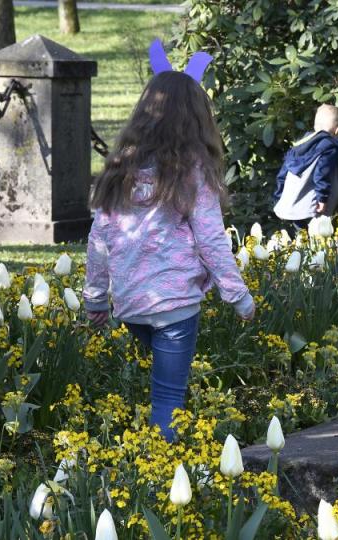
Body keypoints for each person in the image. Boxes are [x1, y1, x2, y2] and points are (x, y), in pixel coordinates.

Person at [83, 69, 255, 441]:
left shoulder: (121, 169)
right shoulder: (191, 170)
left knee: (167, 383)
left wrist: (95, 298)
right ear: (197, 118)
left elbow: (99, 236)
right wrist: (237, 295)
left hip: (131, 304)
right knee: (167, 396)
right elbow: (210, 238)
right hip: (175, 303)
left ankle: (169, 453)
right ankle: (163, 472)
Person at [272, 104, 338, 232]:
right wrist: (322, 198)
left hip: (293, 204)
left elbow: (283, 172)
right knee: (317, 240)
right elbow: (322, 173)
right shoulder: (329, 146)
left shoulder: (300, 143)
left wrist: (278, 196)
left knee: (301, 238)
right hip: (314, 205)